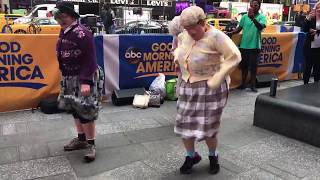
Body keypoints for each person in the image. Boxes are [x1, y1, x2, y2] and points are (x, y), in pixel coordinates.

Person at [173, 6, 241, 175]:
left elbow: (235, 56)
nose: (189, 32)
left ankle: (213, 155)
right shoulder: (184, 35)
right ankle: (191, 156)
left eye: (192, 28)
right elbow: (179, 49)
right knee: (184, 125)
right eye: (186, 28)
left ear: (202, 22)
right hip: (187, 85)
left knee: (209, 127)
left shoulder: (216, 36)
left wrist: (219, 76)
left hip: (210, 88)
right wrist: (177, 58)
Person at [53, 2, 104, 163]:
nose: (61, 20)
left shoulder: (82, 33)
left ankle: (91, 145)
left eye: (64, 17)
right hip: (69, 77)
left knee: (86, 112)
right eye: (58, 17)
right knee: (75, 109)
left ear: (72, 16)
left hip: (83, 77)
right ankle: (81, 139)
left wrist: (86, 82)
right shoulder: (65, 31)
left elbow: (89, 59)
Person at [228, 0, 267, 92]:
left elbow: (261, 27)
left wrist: (253, 18)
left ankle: (253, 86)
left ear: (259, 6)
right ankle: (243, 84)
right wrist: (230, 33)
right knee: (244, 67)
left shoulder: (262, 17)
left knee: (253, 68)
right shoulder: (244, 17)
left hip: (255, 46)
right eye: (252, 5)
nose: (254, 7)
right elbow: (239, 29)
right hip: (244, 46)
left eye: (256, 5)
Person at [303, 2, 320, 84]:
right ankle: (305, 84)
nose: (319, 9)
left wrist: (317, 31)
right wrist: (308, 18)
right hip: (310, 46)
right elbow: (304, 29)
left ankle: (316, 84)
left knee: (317, 67)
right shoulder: (311, 18)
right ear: (315, 9)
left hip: (319, 47)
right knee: (308, 67)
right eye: (318, 8)